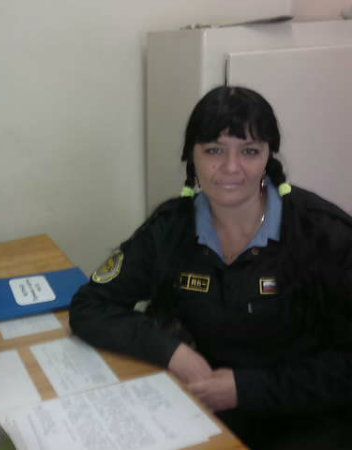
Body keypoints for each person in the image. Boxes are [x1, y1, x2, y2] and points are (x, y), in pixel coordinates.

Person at [69, 86, 352, 449]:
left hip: (305, 419)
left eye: (249, 151)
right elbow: (90, 305)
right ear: (192, 157)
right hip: (202, 409)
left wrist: (246, 389)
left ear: (268, 156)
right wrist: (175, 354)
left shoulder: (322, 233)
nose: (231, 168)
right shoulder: (171, 227)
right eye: (214, 150)